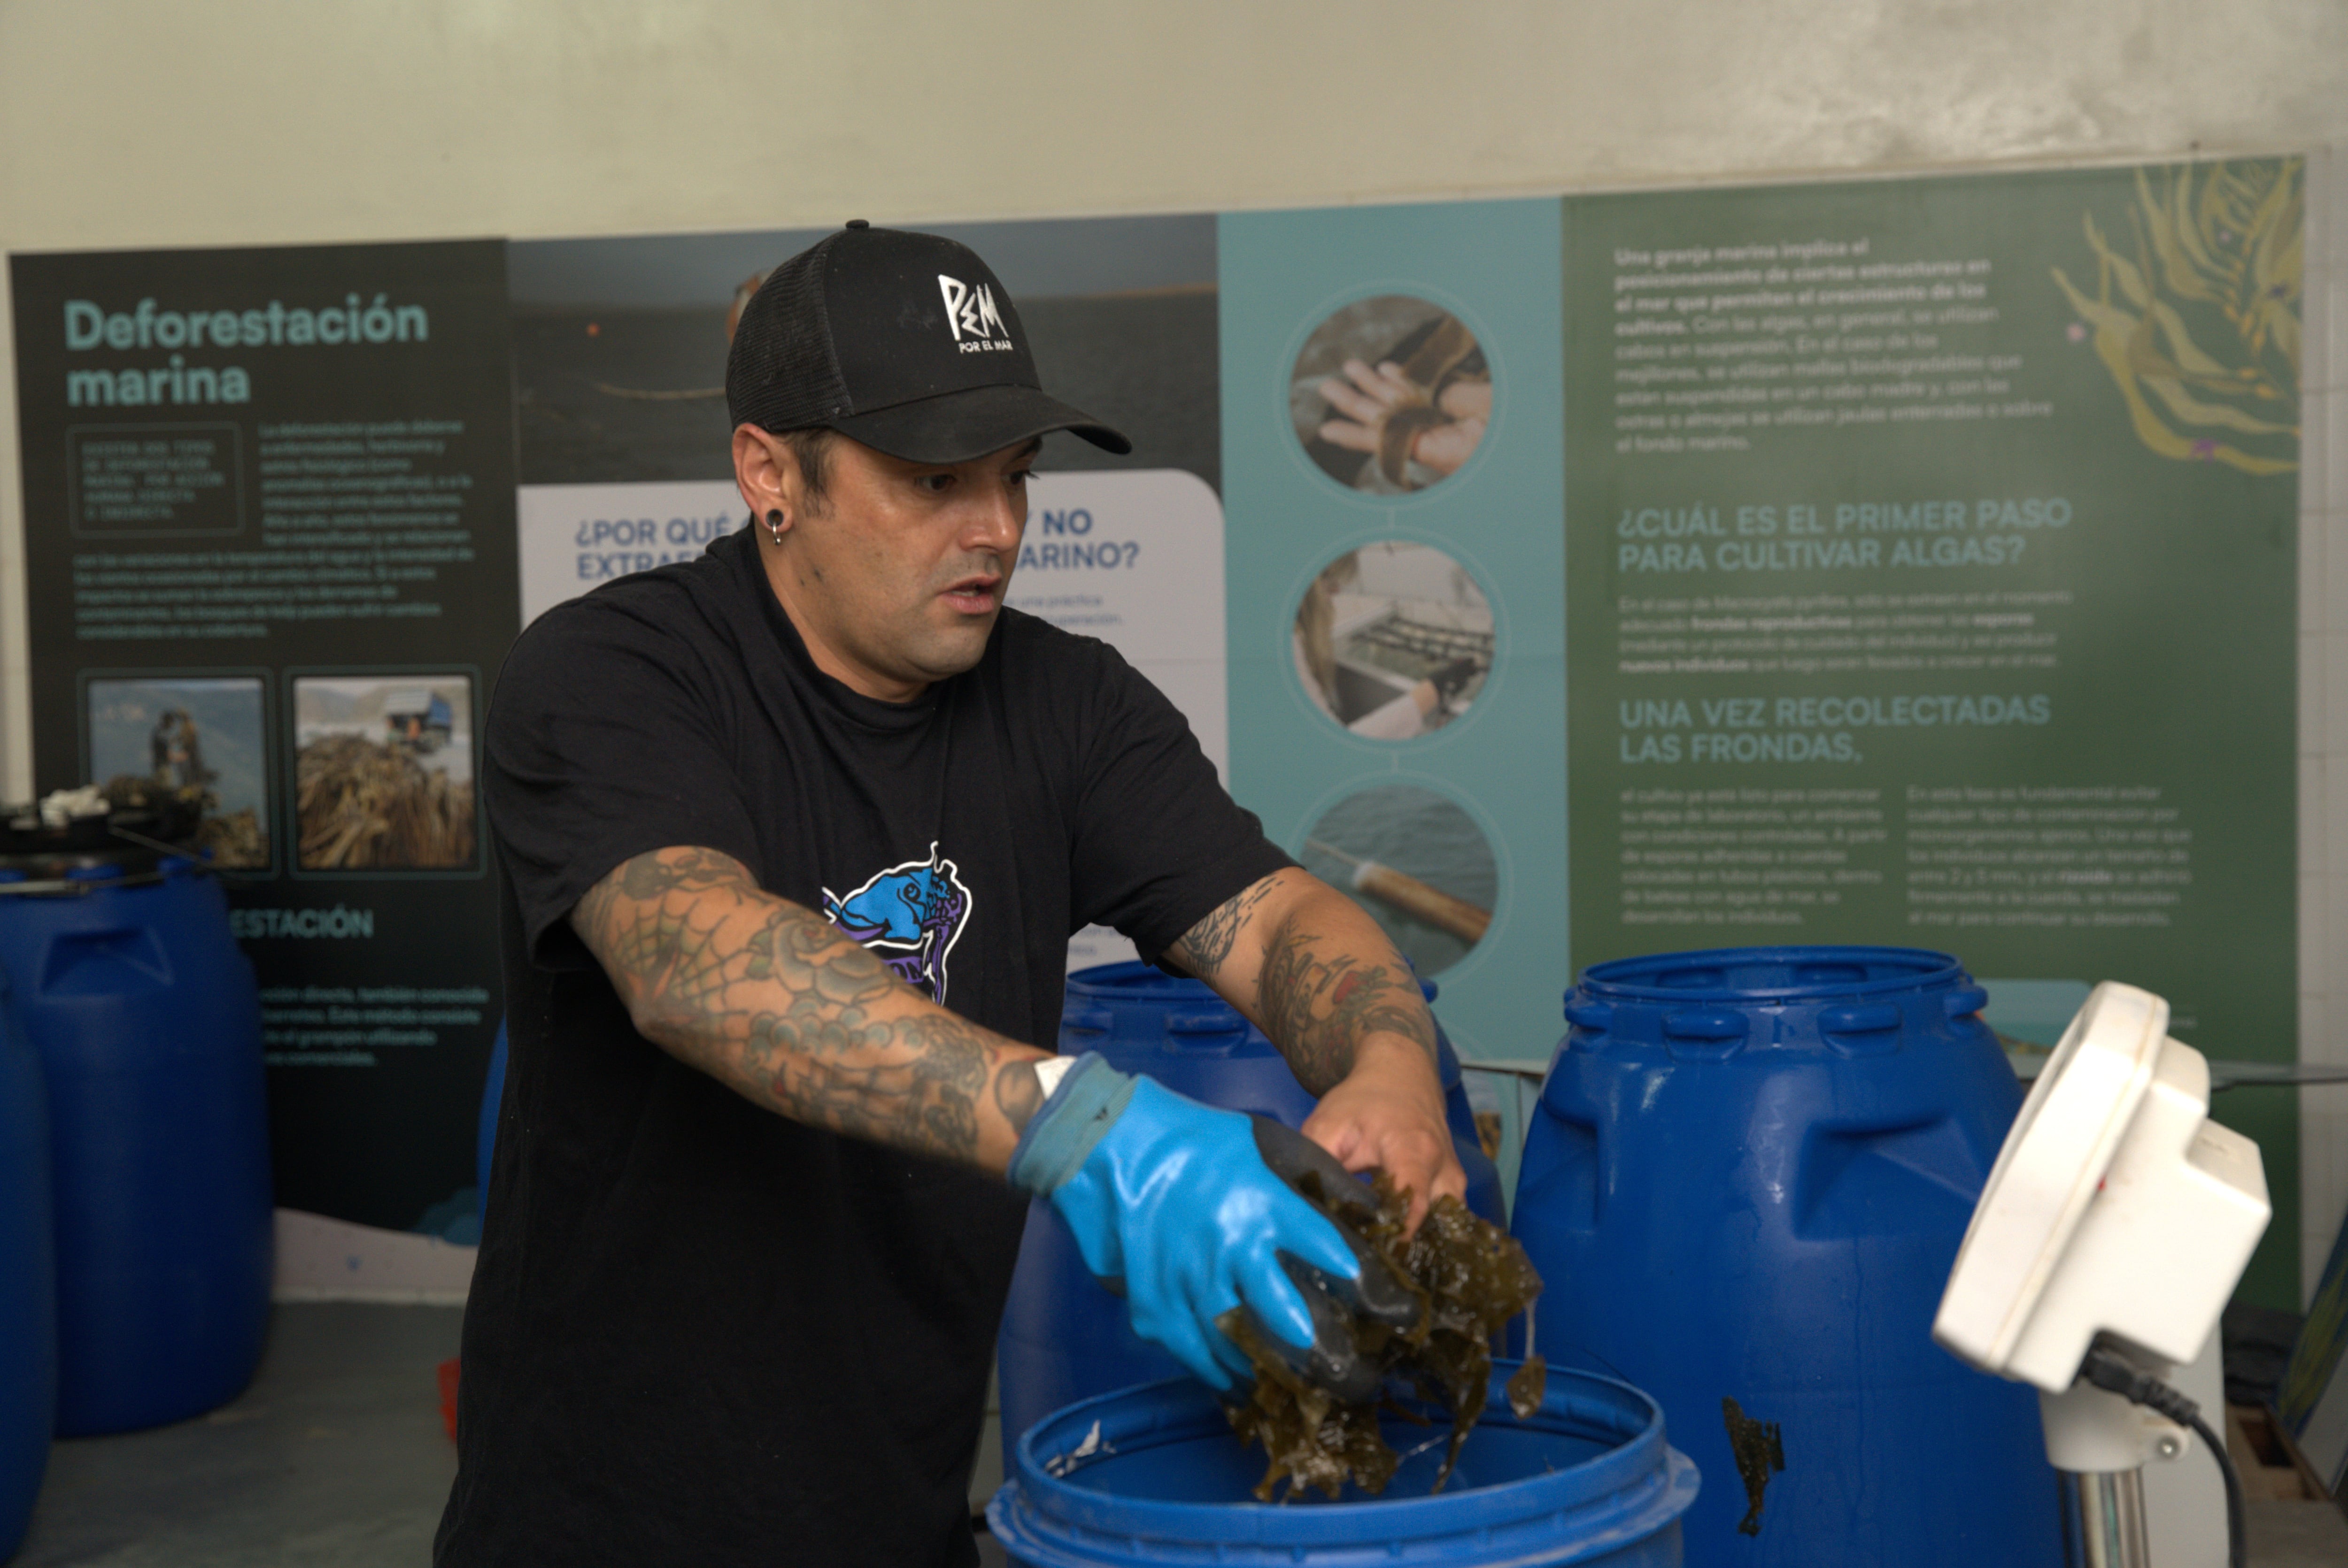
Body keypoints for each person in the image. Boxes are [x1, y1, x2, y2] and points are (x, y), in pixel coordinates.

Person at [435, 223, 1467, 1568]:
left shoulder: (1067, 706)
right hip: (602, 1528)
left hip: (896, 1511)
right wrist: (1092, 1133)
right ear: (770, 473)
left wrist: (1391, 1064)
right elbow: (700, 965)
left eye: (1015, 475)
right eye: (932, 478)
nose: (996, 528)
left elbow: (1275, 919)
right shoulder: (612, 676)